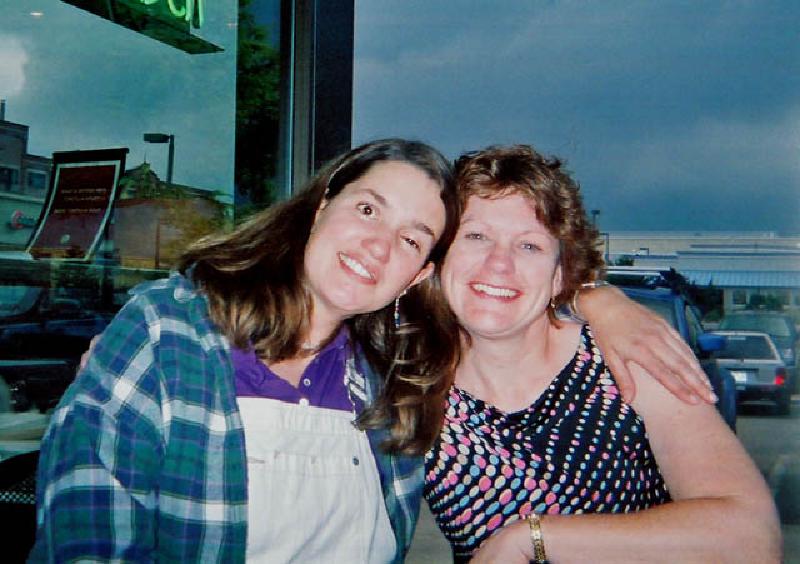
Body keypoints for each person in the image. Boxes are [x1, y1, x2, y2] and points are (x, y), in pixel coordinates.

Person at [30, 138, 715, 563]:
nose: (379, 246)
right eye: (367, 209)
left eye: (413, 238)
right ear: (322, 203)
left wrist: (600, 298)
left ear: (419, 273)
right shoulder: (171, 331)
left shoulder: (395, 381)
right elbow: (86, 531)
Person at [423, 145, 782, 563]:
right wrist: (598, 299)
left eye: (530, 246)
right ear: (441, 256)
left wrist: (535, 539)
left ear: (560, 275)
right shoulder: (413, 384)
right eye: (476, 236)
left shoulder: (626, 361)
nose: (498, 263)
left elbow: (751, 538)